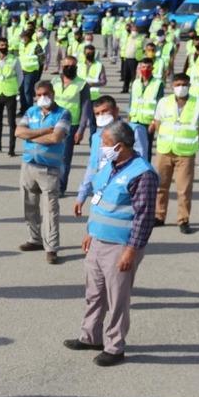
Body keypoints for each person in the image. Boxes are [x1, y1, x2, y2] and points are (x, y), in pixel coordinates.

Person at [65, 121, 159, 367]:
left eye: (106, 143)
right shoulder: (110, 165)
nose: (102, 147)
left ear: (120, 145)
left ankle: (115, 346)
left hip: (120, 246)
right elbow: (100, 200)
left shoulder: (143, 174)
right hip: (97, 240)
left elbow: (144, 217)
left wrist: (131, 250)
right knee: (94, 293)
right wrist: (90, 230)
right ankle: (90, 336)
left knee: (117, 298)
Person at [16, 81, 71, 264]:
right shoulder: (31, 111)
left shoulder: (63, 113)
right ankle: (35, 239)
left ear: (53, 93)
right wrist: (43, 131)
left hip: (49, 168)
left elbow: (56, 137)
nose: (42, 98)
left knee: (50, 210)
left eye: (46, 93)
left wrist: (31, 134)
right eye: (38, 94)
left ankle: (51, 247)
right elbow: (19, 132)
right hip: (28, 165)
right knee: (29, 206)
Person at [151, 73, 199, 234]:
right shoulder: (164, 102)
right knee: (161, 186)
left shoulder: (198, 103)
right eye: (177, 84)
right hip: (165, 150)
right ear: (172, 86)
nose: (180, 87)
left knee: (183, 188)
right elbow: (157, 123)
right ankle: (159, 215)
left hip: (186, 152)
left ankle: (183, 219)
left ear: (189, 85)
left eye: (184, 84)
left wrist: (191, 140)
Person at [75, 95, 149, 215]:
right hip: (101, 190)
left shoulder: (134, 130)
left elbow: (141, 162)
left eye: (105, 111)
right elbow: (92, 167)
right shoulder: (96, 137)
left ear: (116, 110)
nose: (101, 116)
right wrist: (81, 195)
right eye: (97, 114)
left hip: (124, 190)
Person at [53, 55, 91, 195]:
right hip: (53, 123)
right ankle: (50, 184)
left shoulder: (82, 84)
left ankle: (61, 187)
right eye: (66, 66)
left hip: (71, 125)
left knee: (64, 158)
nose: (69, 68)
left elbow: (86, 109)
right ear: (62, 67)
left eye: (72, 66)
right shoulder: (55, 81)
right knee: (50, 155)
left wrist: (81, 129)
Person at [128, 58, 165, 161]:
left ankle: (146, 171)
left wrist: (154, 122)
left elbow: (159, 104)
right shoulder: (135, 83)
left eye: (148, 67)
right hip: (135, 119)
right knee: (133, 147)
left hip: (148, 122)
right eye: (143, 67)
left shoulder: (158, 84)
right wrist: (129, 116)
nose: (145, 69)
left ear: (152, 68)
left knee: (146, 148)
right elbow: (131, 100)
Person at [0, 37, 21, 155]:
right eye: (1, 45)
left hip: (10, 93)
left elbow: (20, 76)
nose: (4, 47)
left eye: (5, 45)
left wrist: (16, 89)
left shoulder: (14, 59)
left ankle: (11, 148)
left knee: (11, 122)